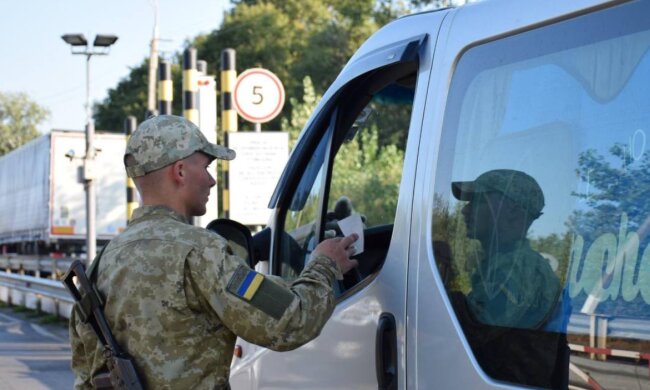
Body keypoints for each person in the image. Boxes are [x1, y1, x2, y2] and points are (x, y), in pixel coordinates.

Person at [69, 115, 359, 389]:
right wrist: (324, 265)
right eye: (206, 167)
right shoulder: (201, 251)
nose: (211, 180)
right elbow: (290, 321)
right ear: (180, 171)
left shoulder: (99, 264)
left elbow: (86, 376)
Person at [448, 169, 568, 388]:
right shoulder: (504, 264)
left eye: (478, 201)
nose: (465, 211)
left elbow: (465, 332)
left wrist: (443, 273)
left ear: (513, 212)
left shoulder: (520, 269)